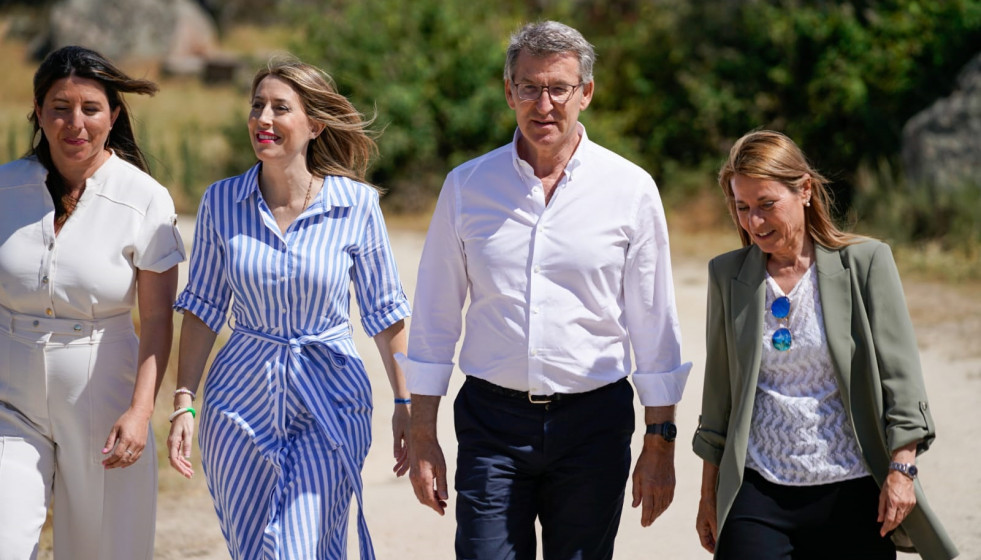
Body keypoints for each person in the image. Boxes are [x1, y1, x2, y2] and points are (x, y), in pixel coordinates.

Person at [403, 21, 691, 559]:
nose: (545, 104)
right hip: (492, 425)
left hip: (594, 424)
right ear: (509, 91)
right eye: (530, 87)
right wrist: (423, 435)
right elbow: (435, 318)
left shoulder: (630, 189)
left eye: (559, 88)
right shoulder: (467, 186)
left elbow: (655, 326)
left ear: (586, 93)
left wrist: (660, 443)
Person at [165, 58, 411, 560]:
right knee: (253, 550)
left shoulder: (357, 205)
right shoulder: (221, 202)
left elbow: (385, 313)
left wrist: (409, 405)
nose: (264, 119)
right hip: (238, 403)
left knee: (297, 548)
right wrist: (184, 400)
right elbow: (204, 308)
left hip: (331, 395)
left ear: (315, 124)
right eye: (257, 106)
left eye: (281, 107)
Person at [692, 129, 959, 560]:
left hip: (853, 490)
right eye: (742, 208)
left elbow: (901, 378)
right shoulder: (728, 276)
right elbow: (719, 395)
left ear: (806, 191)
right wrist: (709, 495)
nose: (753, 223)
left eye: (766, 205)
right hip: (758, 490)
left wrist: (902, 469)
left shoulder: (866, 263)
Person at [0, 46, 184, 559]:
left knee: (103, 549)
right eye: (59, 107)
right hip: (8, 400)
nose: (74, 123)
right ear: (38, 112)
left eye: (90, 108)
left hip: (103, 398)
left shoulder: (145, 199)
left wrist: (141, 411)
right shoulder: (4, 188)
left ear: (114, 115)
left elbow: (155, 319)